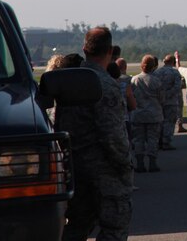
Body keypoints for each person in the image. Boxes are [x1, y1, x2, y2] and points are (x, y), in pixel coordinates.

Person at [58, 27, 132, 241]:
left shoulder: (71, 82)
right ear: (110, 51)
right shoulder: (106, 85)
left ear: (84, 49)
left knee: (76, 226)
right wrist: (125, 165)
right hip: (105, 171)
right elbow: (113, 135)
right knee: (115, 227)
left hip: (76, 167)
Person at [131, 54, 164, 173]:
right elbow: (161, 98)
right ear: (153, 66)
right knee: (152, 139)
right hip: (154, 114)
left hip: (138, 114)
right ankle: (152, 163)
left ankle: (139, 163)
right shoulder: (156, 81)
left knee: (138, 140)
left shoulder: (134, 79)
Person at [155, 54, 183, 150]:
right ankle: (166, 142)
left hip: (159, 102)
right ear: (173, 62)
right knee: (169, 122)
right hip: (170, 101)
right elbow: (177, 87)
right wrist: (168, 95)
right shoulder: (175, 72)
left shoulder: (157, 72)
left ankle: (159, 142)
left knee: (160, 122)